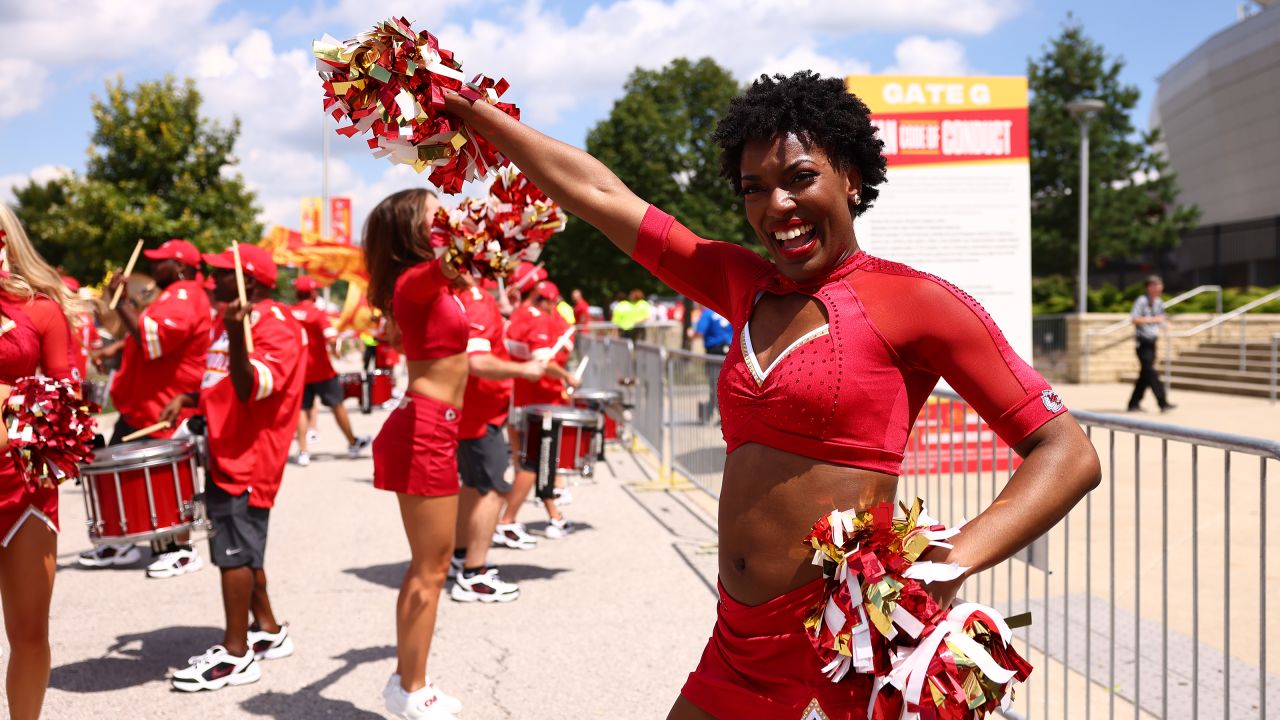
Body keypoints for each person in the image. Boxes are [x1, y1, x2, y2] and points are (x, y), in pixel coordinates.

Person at [441, 70, 1101, 719]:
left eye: (800, 178)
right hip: (736, 640)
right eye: (754, 188)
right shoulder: (743, 283)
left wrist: (953, 560)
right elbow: (598, 192)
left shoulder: (917, 302)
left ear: (852, 176)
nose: (775, 206)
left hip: (839, 642)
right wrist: (479, 114)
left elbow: (1067, 452)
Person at [165, 243, 303, 691]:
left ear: (252, 280)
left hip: (250, 455)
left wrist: (235, 332)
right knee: (244, 545)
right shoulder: (236, 321)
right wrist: (190, 399)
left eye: (223, 273)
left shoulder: (274, 324)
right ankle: (266, 627)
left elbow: (250, 388)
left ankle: (236, 653)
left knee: (234, 551)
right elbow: (221, 383)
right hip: (229, 448)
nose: (212, 280)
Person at [363, 188, 467, 719]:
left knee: (432, 564)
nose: (448, 220)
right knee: (431, 568)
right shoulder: (415, 281)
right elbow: (460, 254)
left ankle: (407, 681)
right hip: (425, 428)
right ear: (412, 229)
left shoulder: (431, 284)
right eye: (437, 215)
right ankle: (412, 688)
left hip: (436, 427)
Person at [0, 204, 88, 720]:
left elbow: (67, 398)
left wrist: (12, 396)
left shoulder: (40, 310)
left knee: (30, 634)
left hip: (22, 487)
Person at [78, 239, 213, 577]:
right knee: (118, 471)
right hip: (143, 402)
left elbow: (153, 339)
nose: (153, 268)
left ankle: (180, 549)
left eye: (161, 262)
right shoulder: (170, 295)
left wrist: (122, 301)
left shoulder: (186, 294)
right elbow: (142, 332)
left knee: (167, 481)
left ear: (180, 266)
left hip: (165, 404)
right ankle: (122, 540)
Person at [450, 273, 545, 602]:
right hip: (479, 412)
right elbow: (476, 361)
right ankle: (474, 574)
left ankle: (461, 555)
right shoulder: (475, 298)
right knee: (491, 491)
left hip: (467, 409)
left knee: (473, 485)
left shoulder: (457, 293)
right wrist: (523, 370)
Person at [500, 280, 581, 542]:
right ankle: (506, 520)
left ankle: (553, 516)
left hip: (517, 397)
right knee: (531, 463)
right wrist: (567, 376)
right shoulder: (537, 320)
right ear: (542, 299)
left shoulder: (517, 316)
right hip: (535, 401)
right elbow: (542, 361)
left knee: (532, 461)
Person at [290, 275, 371, 465]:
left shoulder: (289, 312)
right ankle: (352, 442)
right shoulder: (318, 314)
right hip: (321, 370)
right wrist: (336, 352)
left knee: (302, 410)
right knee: (337, 405)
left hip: (299, 370)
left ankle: (302, 451)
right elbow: (332, 338)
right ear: (312, 293)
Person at [1127, 275, 1175, 413]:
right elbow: (1134, 319)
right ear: (1149, 287)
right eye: (1156, 285)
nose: (1159, 288)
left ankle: (1133, 403)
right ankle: (1163, 402)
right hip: (1142, 342)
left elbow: (1160, 318)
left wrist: (1165, 324)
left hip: (1152, 341)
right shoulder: (1141, 301)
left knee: (1145, 374)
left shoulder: (1159, 302)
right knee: (1150, 372)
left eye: (1160, 285)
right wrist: (1153, 319)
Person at [689, 305, 733, 423]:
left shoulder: (707, 313)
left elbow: (699, 332)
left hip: (714, 352)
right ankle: (726, 415)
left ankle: (721, 415)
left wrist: (690, 335)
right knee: (729, 385)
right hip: (730, 351)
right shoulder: (728, 310)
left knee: (715, 385)